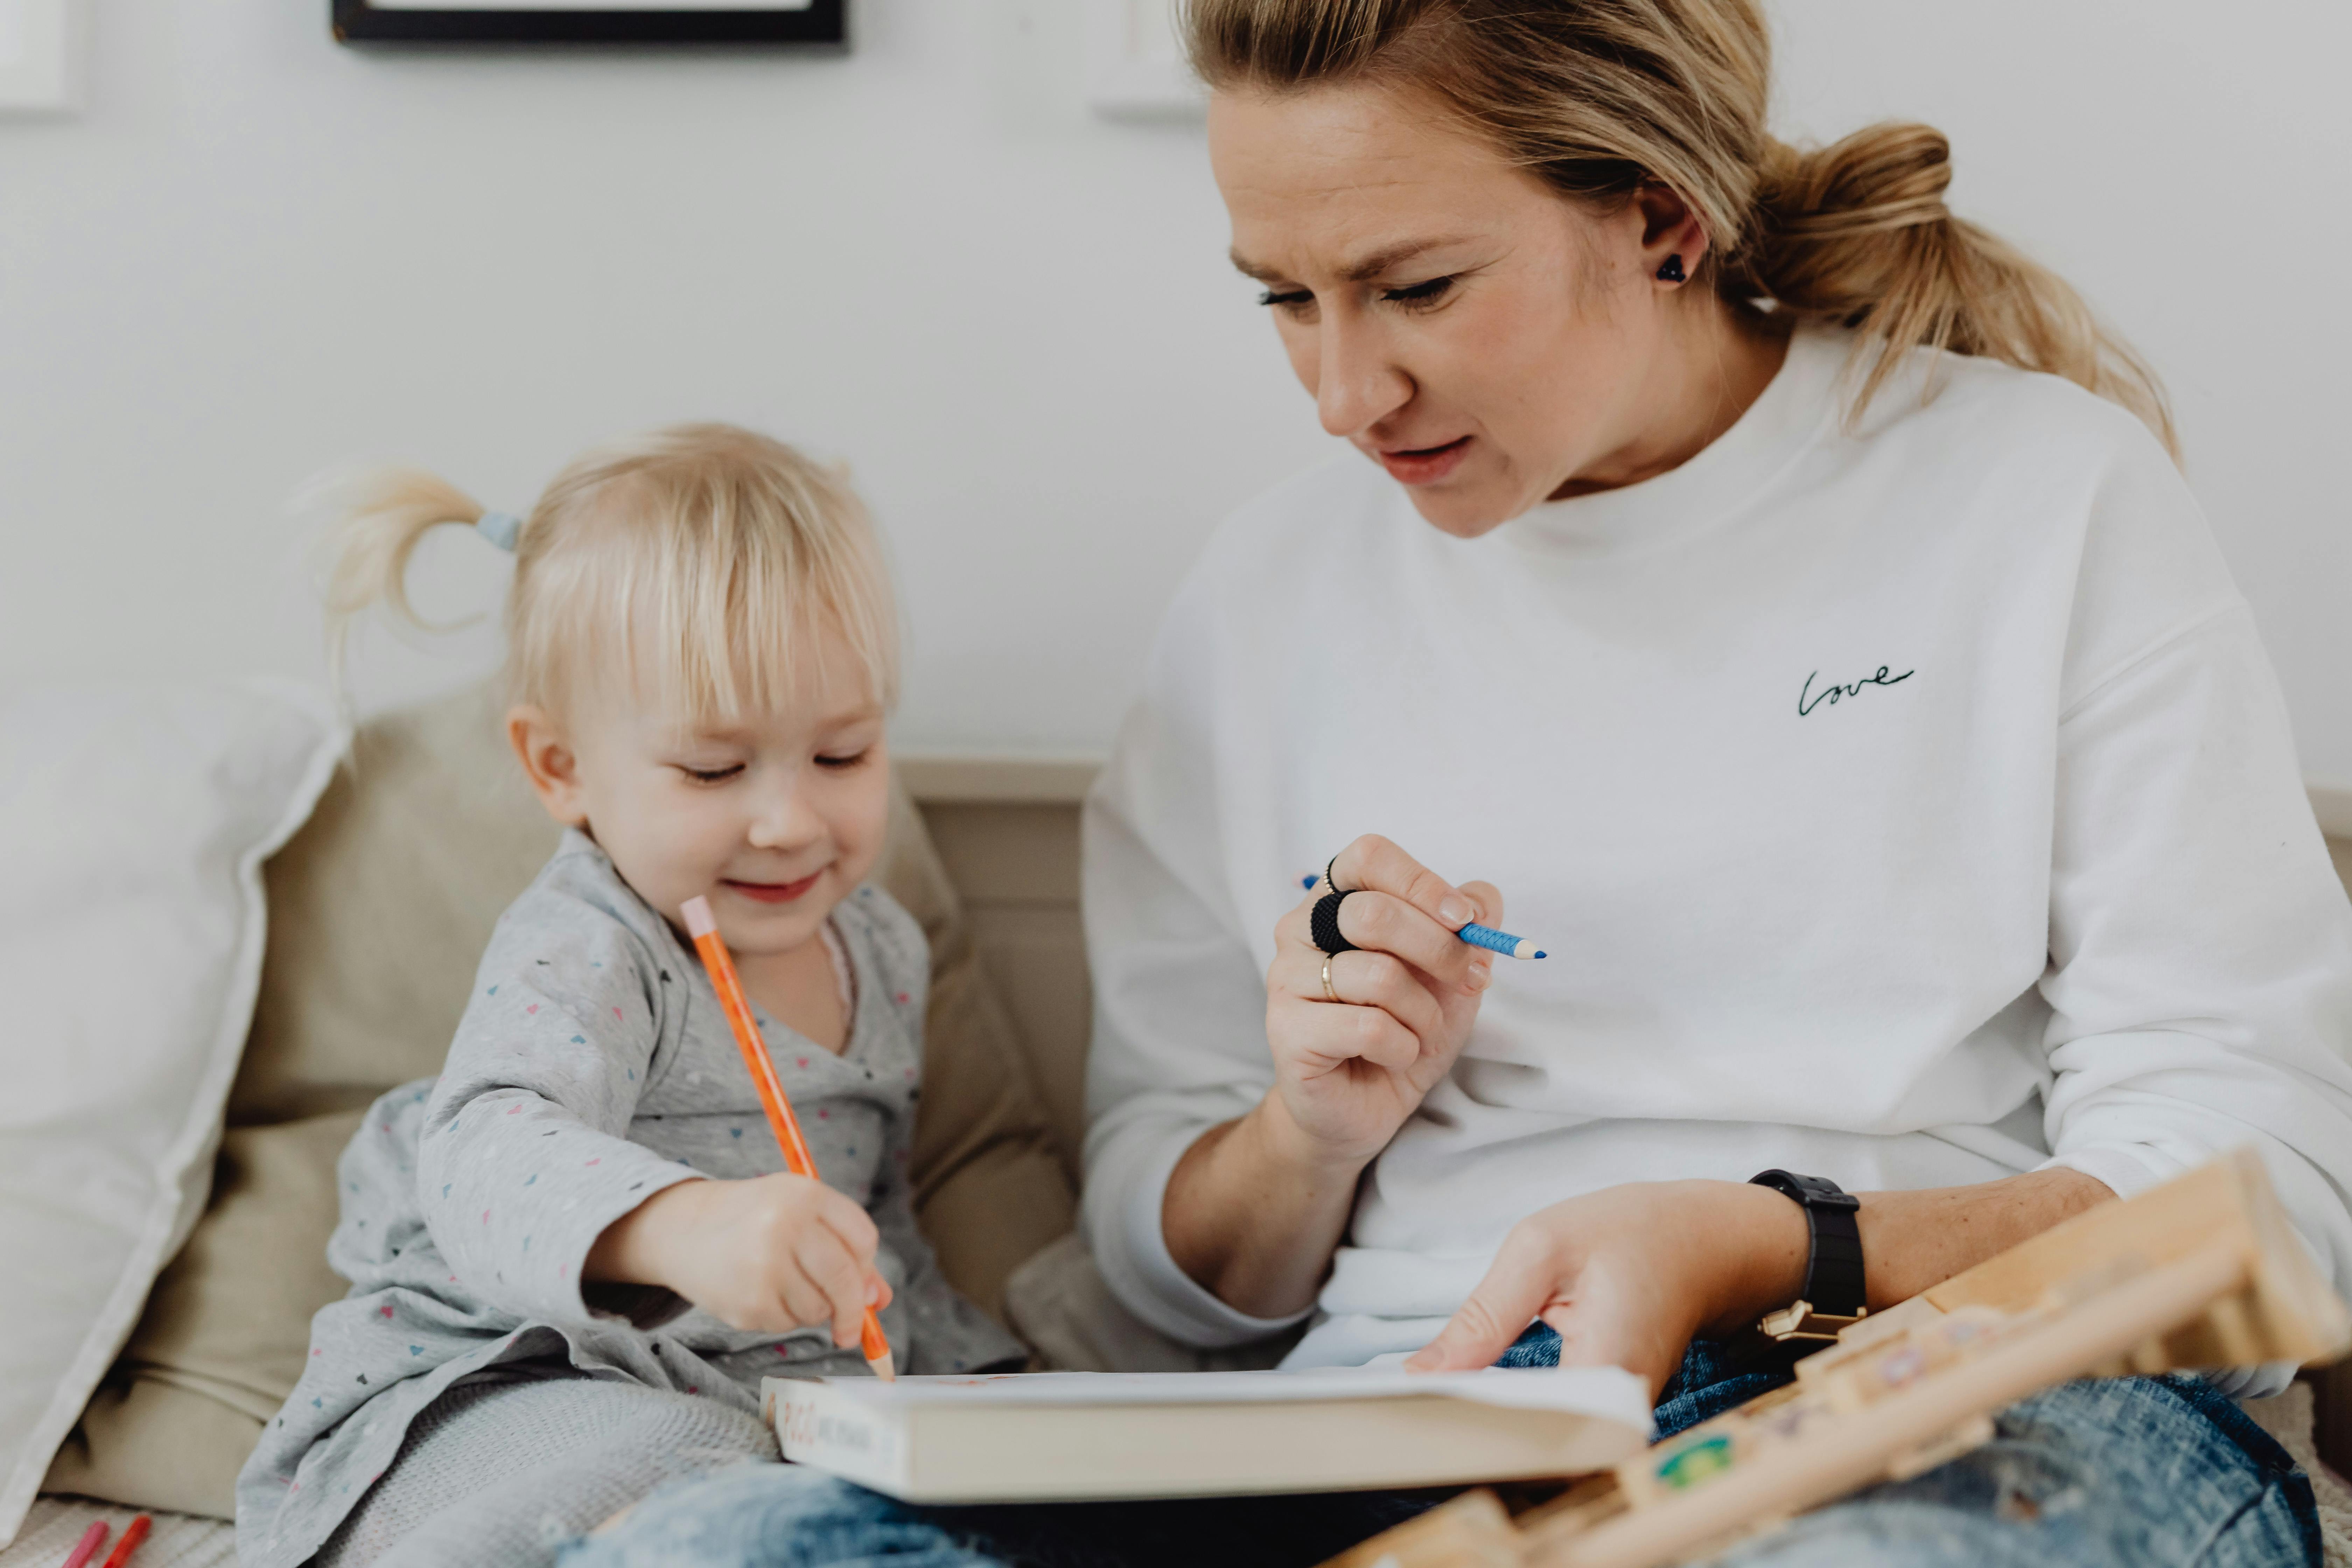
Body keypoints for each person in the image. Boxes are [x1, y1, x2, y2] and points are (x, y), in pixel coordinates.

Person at [574, 2, 2352, 1564]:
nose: (1346, 392)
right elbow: (1147, 1282)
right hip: (1396, 1420)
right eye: (1286, 298)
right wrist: (1305, 1134)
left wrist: (1772, 1245)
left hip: (1936, 1394)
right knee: (723, 1546)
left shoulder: (2041, 503)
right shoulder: (1271, 598)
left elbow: (2270, 1197)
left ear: (1661, 215)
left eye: (1418, 287)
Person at [236, 425, 1024, 1568]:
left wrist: (981, 1387)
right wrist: (685, 1224)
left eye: (843, 754)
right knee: (697, 1458)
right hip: (491, 1399)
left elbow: (875, 1224)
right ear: (560, 769)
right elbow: (483, 1149)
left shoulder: (885, 948)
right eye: (713, 770)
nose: (792, 821)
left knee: (873, 1504)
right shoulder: (596, 943)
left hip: (764, 1414)